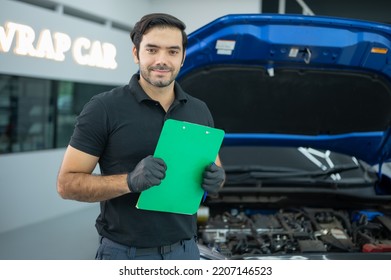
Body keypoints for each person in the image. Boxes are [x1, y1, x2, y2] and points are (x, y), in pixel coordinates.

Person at [56, 13, 225, 260]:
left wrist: (216, 180)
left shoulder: (199, 110)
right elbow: (66, 184)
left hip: (186, 251)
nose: (162, 60)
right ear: (136, 53)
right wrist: (129, 182)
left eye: (172, 51)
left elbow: (214, 169)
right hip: (124, 254)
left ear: (183, 57)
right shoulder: (103, 108)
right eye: (152, 50)